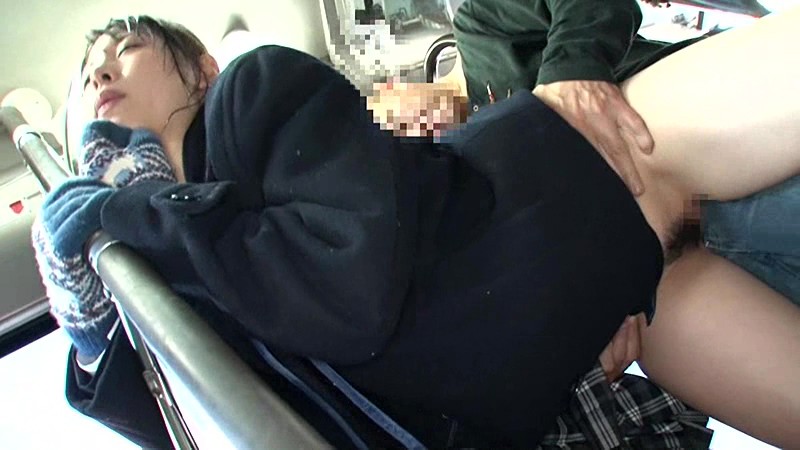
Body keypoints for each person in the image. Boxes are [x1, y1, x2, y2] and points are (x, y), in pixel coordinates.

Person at [34, 7, 800, 448]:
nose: (99, 73)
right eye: (87, 72)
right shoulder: (188, 281)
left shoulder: (246, 92)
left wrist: (135, 205)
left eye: (124, 49)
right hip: (618, 303)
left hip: (610, 155)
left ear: (201, 67)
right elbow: (205, 409)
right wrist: (98, 329)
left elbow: (350, 288)